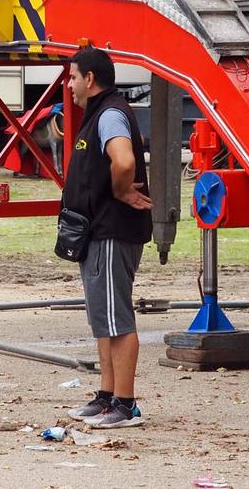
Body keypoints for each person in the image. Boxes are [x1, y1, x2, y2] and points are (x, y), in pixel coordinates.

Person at [60, 47, 152, 429]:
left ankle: (126, 404)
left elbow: (125, 160)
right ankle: (106, 396)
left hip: (112, 231)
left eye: (73, 77)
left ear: (90, 80)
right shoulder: (96, 114)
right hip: (95, 234)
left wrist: (121, 190)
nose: (69, 84)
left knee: (117, 318)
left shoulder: (110, 114)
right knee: (103, 318)